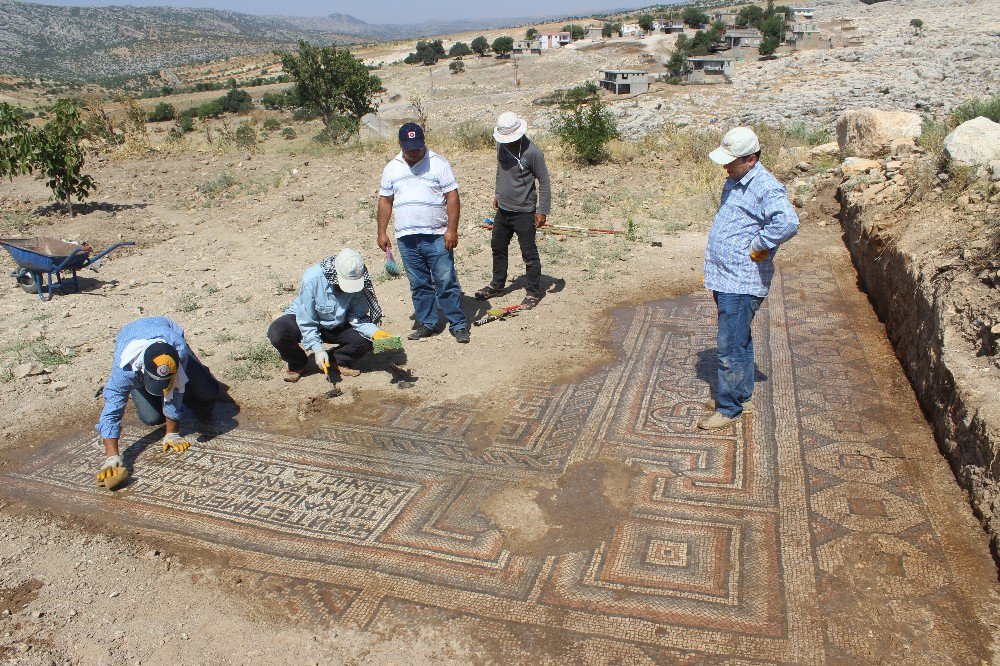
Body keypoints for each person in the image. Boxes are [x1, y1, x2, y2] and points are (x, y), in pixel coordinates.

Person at [699, 127, 799, 430]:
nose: (725, 167)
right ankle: (741, 396)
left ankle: (729, 408)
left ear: (751, 159)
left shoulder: (766, 187)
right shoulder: (736, 180)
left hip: (741, 281)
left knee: (729, 344)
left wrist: (758, 246)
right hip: (726, 276)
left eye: (731, 161)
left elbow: (787, 222)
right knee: (739, 339)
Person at [95, 317, 225, 489]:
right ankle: (139, 388)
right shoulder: (124, 371)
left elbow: (176, 389)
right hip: (134, 355)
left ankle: (198, 375)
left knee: (208, 392)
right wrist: (112, 456)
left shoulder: (179, 351)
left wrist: (172, 432)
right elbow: (112, 410)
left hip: (164, 332)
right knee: (152, 418)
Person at [377, 123, 470, 344]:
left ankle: (457, 324)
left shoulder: (439, 164)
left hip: (436, 234)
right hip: (406, 237)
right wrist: (382, 232)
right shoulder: (392, 168)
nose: (415, 152)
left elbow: (452, 197)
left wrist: (452, 230)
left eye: (418, 147)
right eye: (410, 149)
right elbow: (385, 200)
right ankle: (427, 323)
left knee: (446, 280)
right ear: (401, 145)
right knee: (418, 283)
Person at [267, 248, 391, 382]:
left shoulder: (361, 281)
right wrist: (318, 349)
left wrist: (375, 332)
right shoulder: (313, 278)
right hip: (304, 319)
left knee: (366, 340)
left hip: (338, 323)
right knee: (278, 333)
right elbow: (306, 320)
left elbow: (358, 317)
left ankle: (335, 359)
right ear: (335, 274)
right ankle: (298, 362)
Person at [474, 111, 551, 310]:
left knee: (529, 253)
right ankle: (497, 284)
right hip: (504, 210)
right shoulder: (501, 146)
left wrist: (542, 210)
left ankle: (533, 292)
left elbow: (545, 182)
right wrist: (497, 193)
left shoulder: (533, 153)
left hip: (525, 211)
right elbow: (500, 171)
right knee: (498, 246)